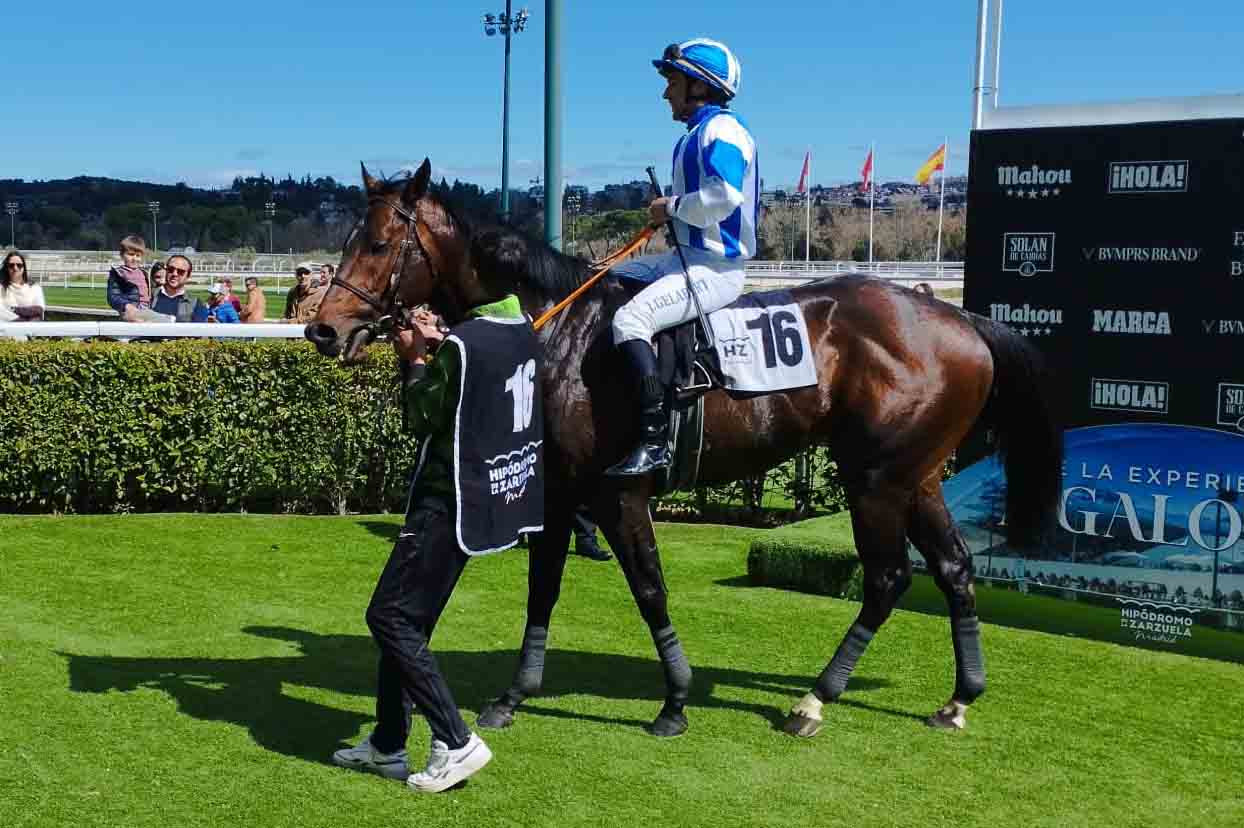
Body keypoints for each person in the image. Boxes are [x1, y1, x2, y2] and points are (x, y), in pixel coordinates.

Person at [332, 228, 545, 794]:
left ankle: (456, 740)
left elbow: (422, 415)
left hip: (447, 501)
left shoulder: (463, 345)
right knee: (411, 622)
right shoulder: (522, 328)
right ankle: (387, 744)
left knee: (389, 619)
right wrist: (440, 342)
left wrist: (415, 359)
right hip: (488, 500)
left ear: (474, 271)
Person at [607, 39, 759, 476]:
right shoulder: (695, 134)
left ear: (699, 86)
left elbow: (724, 197)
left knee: (630, 320)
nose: (665, 93)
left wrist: (670, 207)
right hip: (686, 259)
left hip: (716, 269)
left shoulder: (723, 131)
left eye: (672, 82)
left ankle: (655, 440)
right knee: (609, 279)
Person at [106, 235, 152, 322]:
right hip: (131, 310)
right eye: (131, 254)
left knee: (166, 320)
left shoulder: (144, 273)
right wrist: (126, 305)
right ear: (122, 255)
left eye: (138, 255)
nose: (134, 258)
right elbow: (113, 297)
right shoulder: (119, 273)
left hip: (147, 309)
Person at [151, 255, 207, 322]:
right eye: (171, 269)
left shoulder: (196, 305)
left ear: (188, 276)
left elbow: (199, 328)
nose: (174, 274)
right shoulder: (149, 296)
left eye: (180, 271)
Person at [0, 251, 45, 322]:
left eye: (19, 265)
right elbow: (1, 313)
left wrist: (14, 310)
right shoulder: (1, 288)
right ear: (6, 268)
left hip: (31, 327)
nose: (15, 268)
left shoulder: (35, 287)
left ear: (24, 268)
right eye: (11, 265)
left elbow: (39, 310)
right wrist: (21, 322)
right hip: (8, 328)